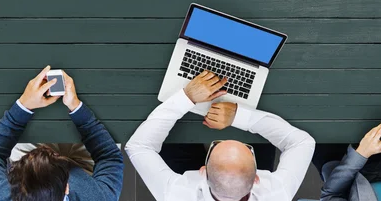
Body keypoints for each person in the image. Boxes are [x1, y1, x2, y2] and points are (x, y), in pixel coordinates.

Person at [125, 70, 316, 201]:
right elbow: (302, 143)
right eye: (245, 149)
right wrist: (238, 116)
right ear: (257, 178)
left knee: (174, 142)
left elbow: (138, 146)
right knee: (261, 141)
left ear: (202, 170)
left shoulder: (176, 193)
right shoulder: (277, 193)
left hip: (192, 178)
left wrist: (187, 97)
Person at [0, 66, 124, 201]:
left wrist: (24, 106)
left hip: (29, 161)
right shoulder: (99, 198)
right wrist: (76, 107)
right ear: (67, 188)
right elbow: (110, 157)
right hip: (84, 169)